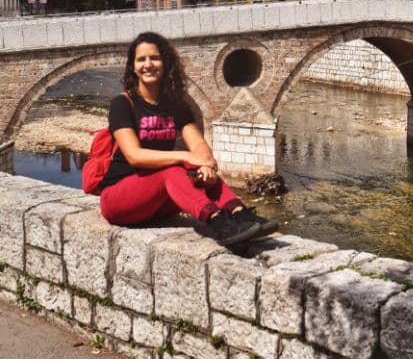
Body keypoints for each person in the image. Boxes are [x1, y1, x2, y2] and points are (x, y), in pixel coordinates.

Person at [99, 32, 278, 247]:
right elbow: (134, 156)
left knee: (193, 173)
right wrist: (186, 156)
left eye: (154, 58)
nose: (148, 64)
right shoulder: (123, 104)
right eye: (141, 59)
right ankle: (217, 222)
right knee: (174, 169)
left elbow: (199, 145)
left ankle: (240, 213)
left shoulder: (175, 104)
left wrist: (206, 166)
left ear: (165, 63)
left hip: (159, 203)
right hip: (120, 200)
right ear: (133, 67)